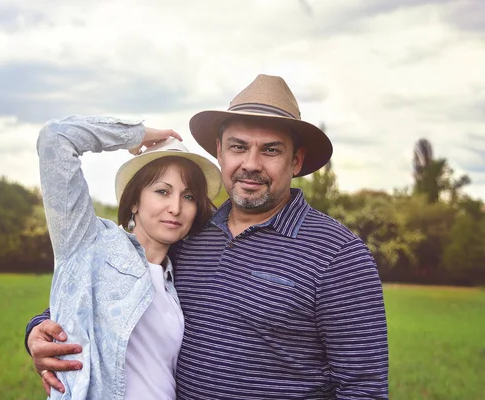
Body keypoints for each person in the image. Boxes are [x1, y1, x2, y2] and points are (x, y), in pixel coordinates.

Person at [26, 75, 389, 399]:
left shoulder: (338, 255)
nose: (251, 163)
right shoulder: (191, 235)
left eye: (271, 150)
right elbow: (101, 293)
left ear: (295, 162)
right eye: (238, 146)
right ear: (219, 152)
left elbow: (364, 389)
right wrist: (39, 332)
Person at [33, 115, 222, 399]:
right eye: (162, 191)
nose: (175, 207)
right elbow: (56, 137)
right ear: (134, 200)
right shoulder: (88, 242)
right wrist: (138, 134)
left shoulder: (177, 275)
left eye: (189, 196)